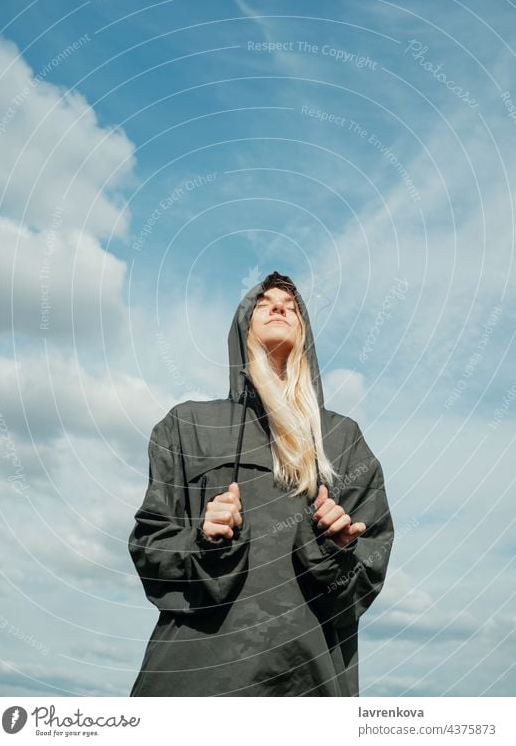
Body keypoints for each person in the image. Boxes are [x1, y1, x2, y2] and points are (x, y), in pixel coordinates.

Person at [128, 271, 394, 696]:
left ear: (304, 332)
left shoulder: (343, 441)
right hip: (197, 678)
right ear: (243, 326)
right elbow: (150, 547)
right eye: (265, 302)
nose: (279, 307)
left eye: (291, 306)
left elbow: (365, 580)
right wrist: (204, 539)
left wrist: (335, 549)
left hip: (306, 681)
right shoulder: (189, 424)